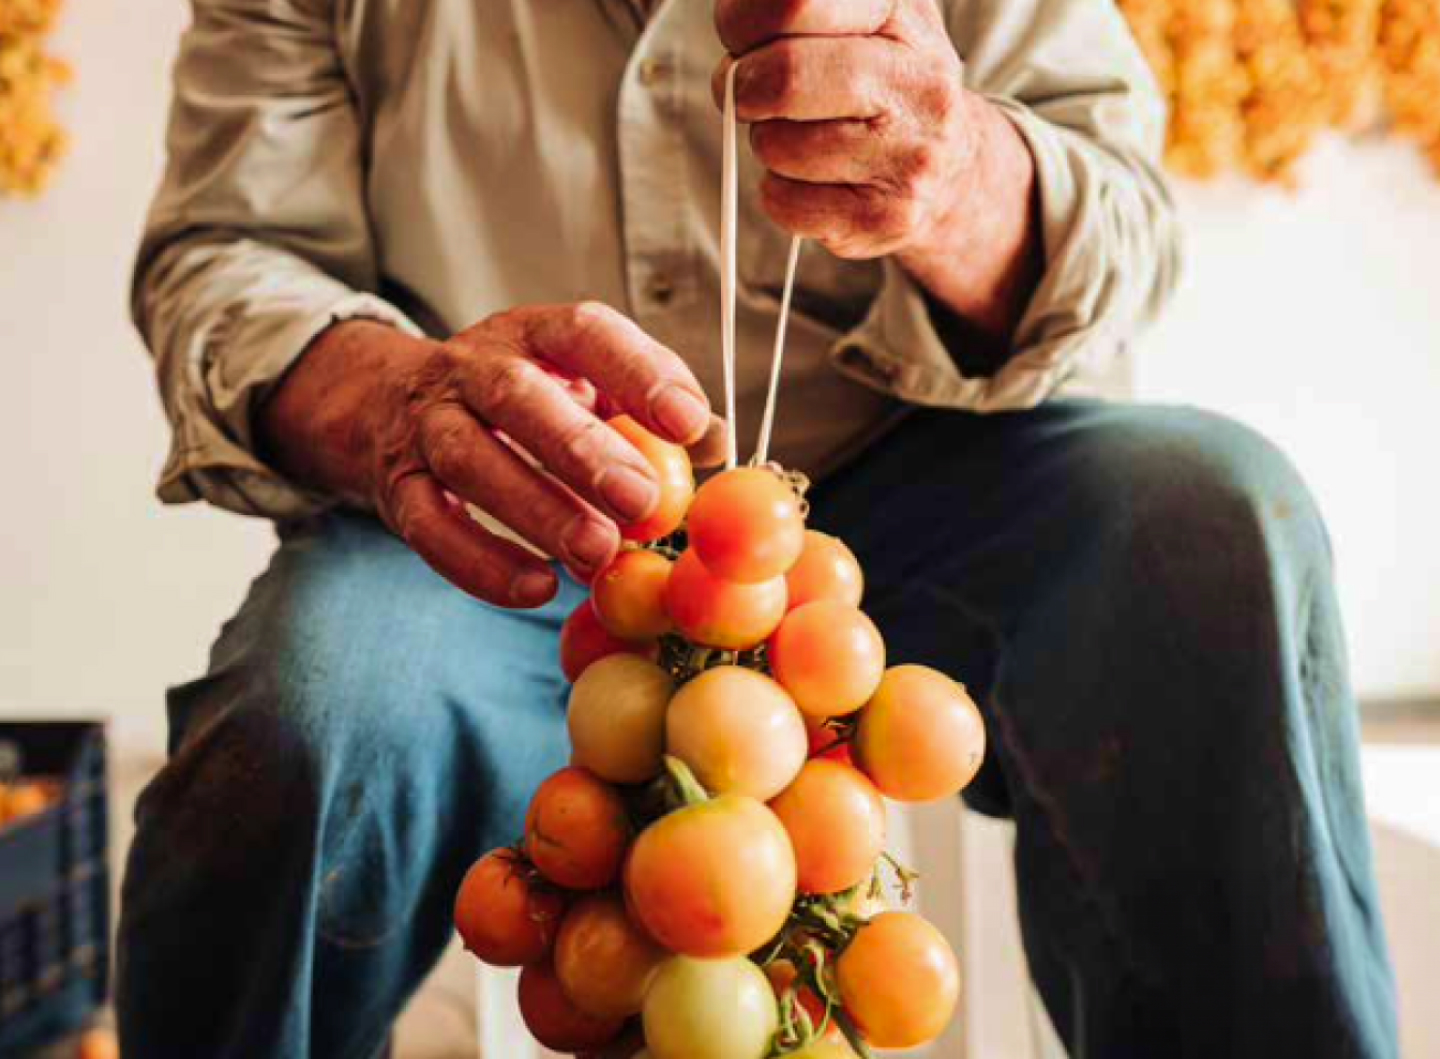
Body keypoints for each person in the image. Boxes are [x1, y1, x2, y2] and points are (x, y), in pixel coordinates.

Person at [119, 0, 1399, 1056]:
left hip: (938, 480)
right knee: (319, 696)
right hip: (513, 527)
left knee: (1210, 519)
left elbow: (1123, 219)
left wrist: (957, 186)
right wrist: (396, 395)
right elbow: (224, 254)